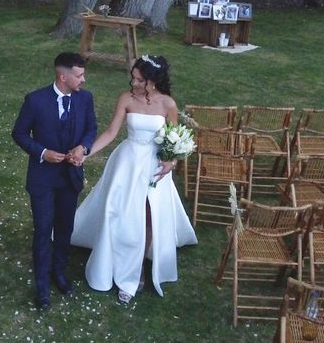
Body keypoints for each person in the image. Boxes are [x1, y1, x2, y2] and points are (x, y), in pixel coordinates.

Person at [70, 54, 197, 304]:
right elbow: (110, 132)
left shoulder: (168, 104)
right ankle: (111, 257)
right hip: (127, 163)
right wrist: (85, 152)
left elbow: (175, 140)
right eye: (133, 78)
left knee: (147, 215)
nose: (134, 83)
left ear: (153, 80)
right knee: (117, 212)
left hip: (152, 167)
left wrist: (171, 162)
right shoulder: (126, 99)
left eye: (139, 79)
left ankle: (136, 269)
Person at [12, 52, 98, 311]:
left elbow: (91, 129)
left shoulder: (85, 99)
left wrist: (83, 147)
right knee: (42, 229)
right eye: (79, 75)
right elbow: (18, 133)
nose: (84, 79)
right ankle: (41, 286)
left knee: (64, 228)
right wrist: (42, 152)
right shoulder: (35, 101)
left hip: (70, 177)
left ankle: (58, 272)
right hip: (42, 179)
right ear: (63, 76)